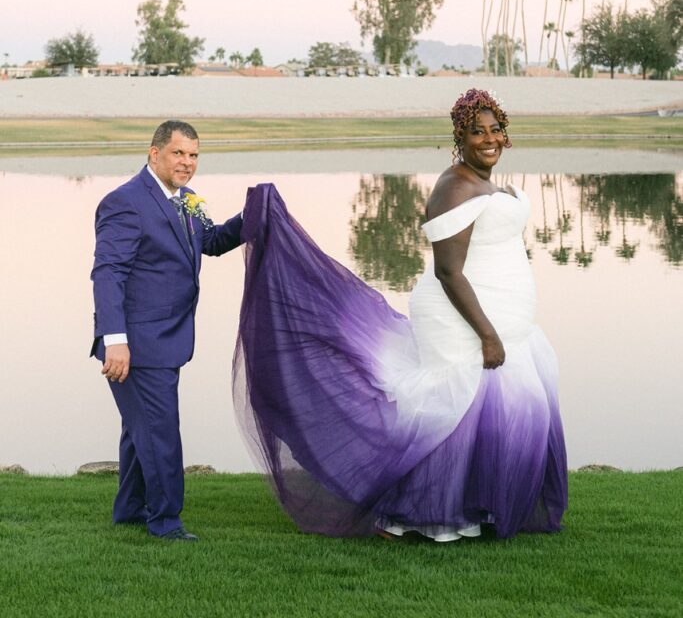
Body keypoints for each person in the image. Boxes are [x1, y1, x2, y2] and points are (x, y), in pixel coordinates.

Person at [234, 89, 567, 540]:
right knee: (447, 410)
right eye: (477, 131)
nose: (489, 139)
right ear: (460, 137)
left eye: (495, 130)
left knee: (486, 413)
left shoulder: (487, 183)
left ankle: (471, 508)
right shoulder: (455, 187)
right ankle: (413, 512)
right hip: (462, 316)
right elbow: (449, 273)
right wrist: (487, 334)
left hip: (505, 314)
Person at [91, 119, 243, 540]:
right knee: (160, 433)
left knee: (140, 429)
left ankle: (129, 511)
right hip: (136, 345)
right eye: (179, 153)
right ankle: (166, 522)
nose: (187, 162)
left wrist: (252, 217)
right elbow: (108, 274)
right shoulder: (125, 202)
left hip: (169, 339)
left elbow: (210, 241)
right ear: (154, 153)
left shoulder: (187, 200)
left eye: (193, 155)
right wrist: (115, 342)